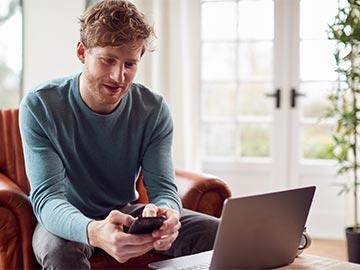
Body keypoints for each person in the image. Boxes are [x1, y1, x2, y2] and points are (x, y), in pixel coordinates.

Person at [19, 0, 218, 268]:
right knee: (60, 254)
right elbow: (48, 199)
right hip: (63, 217)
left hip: (124, 212)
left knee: (219, 233)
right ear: (82, 52)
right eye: (107, 60)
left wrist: (167, 214)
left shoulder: (153, 109)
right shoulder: (40, 105)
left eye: (129, 64)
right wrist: (92, 231)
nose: (118, 76)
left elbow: (164, 188)